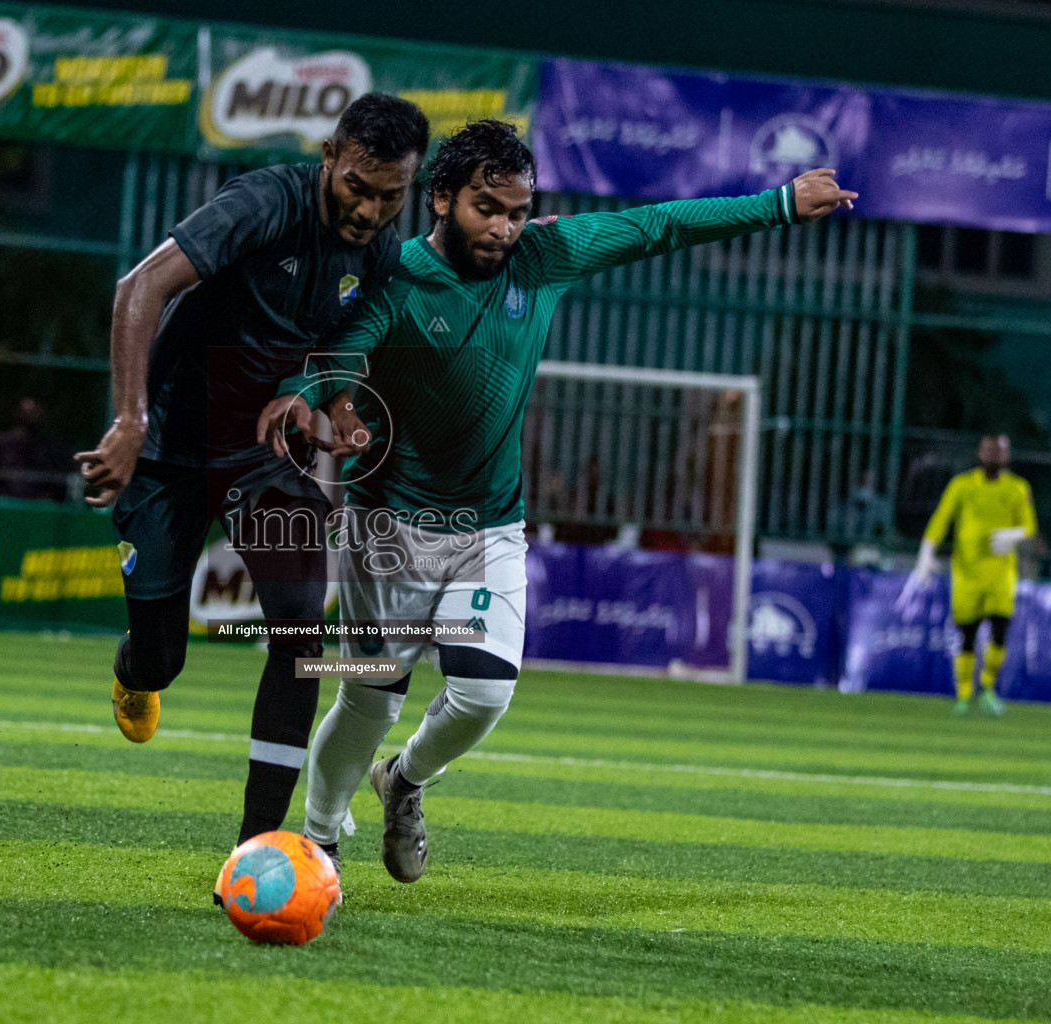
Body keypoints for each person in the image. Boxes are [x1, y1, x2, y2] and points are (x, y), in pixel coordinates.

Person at [258, 119, 856, 884]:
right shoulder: (398, 277)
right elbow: (339, 353)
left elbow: (655, 226)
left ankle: (402, 782)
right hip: (390, 528)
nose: (505, 227)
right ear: (441, 198)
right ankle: (319, 843)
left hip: (491, 528)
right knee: (369, 701)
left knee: (484, 694)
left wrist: (776, 204)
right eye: (487, 208)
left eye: (516, 209)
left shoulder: (541, 258)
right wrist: (308, 400)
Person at [74, 93, 430, 846]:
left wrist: (335, 403)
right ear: (329, 157)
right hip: (169, 445)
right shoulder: (266, 201)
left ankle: (259, 849)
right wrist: (131, 423)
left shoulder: (382, 253)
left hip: (261, 454)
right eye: (356, 187)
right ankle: (134, 668)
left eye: (390, 196)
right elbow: (139, 287)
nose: (369, 210)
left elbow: (335, 337)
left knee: (302, 627)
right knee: (161, 660)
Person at [902, 434, 1037, 715]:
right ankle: (964, 694)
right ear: (980, 454)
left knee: (999, 631)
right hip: (966, 573)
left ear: (1007, 456)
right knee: (967, 634)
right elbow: (941, 518)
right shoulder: (962, 485)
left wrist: (1013, 535)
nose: (994, 458)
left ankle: (988, 687)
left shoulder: (1017, 488)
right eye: (989, 452)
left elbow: (1029, 526)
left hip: (1000, 574)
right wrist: (926, 554)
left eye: (999, 452)